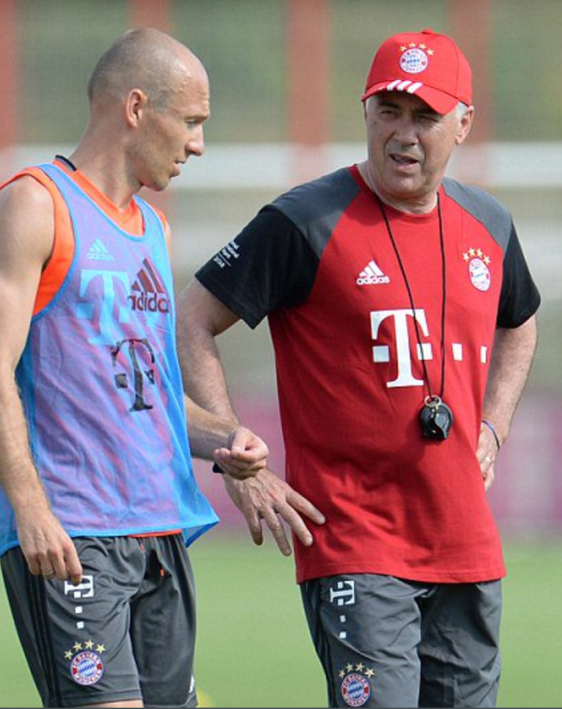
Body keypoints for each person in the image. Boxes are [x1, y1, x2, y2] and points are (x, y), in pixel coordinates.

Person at [178, 28, 541, 709]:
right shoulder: (302, 220)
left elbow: (520, 321)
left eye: (425, 116)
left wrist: (491, 428)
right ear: (365, 112)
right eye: (389, 111)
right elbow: (193, 318)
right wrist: (231, 453)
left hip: (465, 541)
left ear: (462, 123)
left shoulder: (488, 224)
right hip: (354, 541)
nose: (404, 134)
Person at [0, 28, 269, 709]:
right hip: (72, 534)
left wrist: (225, 442)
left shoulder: (152, 230)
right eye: (191, 121)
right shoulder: (33, 205)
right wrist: (29, 507)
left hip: (159, 534)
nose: (197, 143)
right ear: (136, 106)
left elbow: (154, 398)